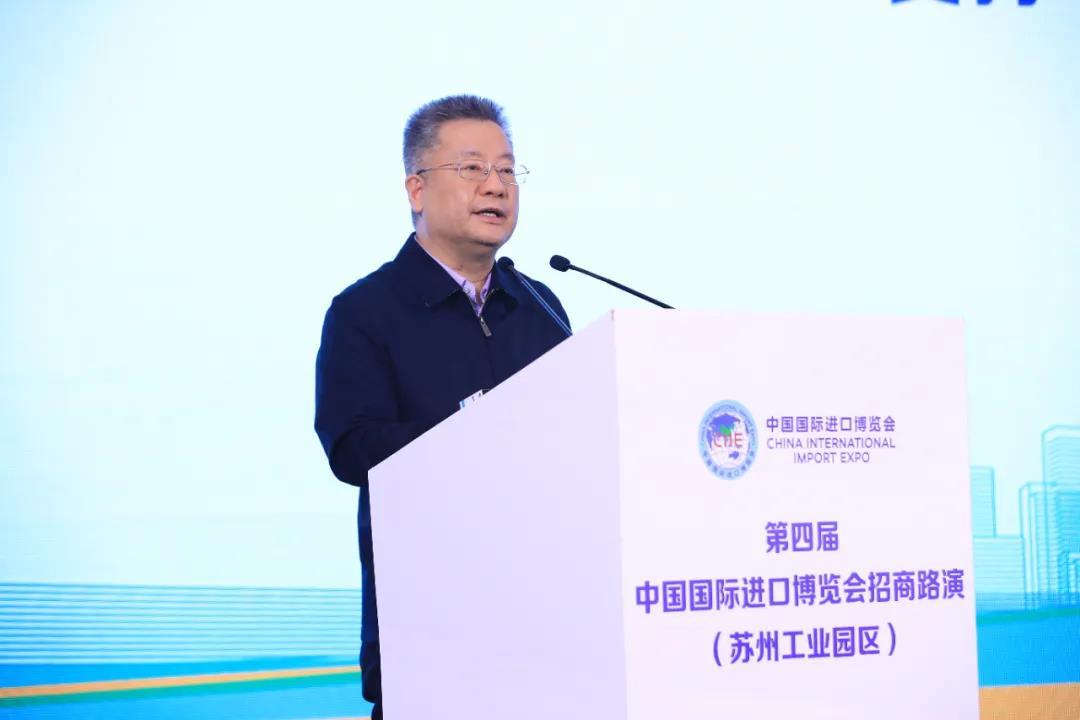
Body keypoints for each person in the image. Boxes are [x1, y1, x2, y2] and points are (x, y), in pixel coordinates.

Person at [313, 95, 570, 720]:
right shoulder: (365, 311)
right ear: (417, 188)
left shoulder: (540, 306)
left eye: (507, 170)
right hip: (430, 634)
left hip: (551, 630)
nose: (497, 186)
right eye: (473, 168)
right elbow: (352, 448)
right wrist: (477, 427)